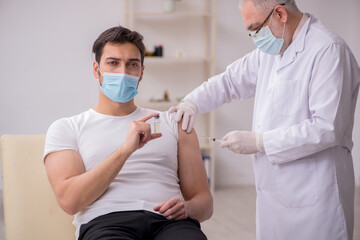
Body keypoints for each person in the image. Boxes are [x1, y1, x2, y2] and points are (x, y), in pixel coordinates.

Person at [170, 0, 360, 239]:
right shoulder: (272, 52)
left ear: (279, 13)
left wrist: (260, 142)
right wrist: (192, 102)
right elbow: (230, 81)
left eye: (255, 29)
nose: (254, 37)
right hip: (274, 199)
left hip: (316, 202)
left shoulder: (328, 50)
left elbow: (326, 128)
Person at [43, 26, 213, 240]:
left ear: (141, 72)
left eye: (132, 65)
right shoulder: (67, 128)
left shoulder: (173, 122)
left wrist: (187, 209)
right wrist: (125, 150)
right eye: (113, 63)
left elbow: (205, 204)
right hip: (106, 223)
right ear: (96, 70)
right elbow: (70, 201)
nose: (123, 73)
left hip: (170, 223)